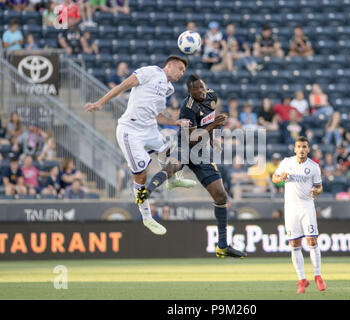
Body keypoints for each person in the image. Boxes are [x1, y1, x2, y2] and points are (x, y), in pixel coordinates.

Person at [135, 74, 247, 258]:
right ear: (190, 92)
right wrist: (213, 126)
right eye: (198, 90)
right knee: (172, 166)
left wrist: (212, 138)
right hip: (186, 145)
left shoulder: (212, 96)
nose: (202, 92)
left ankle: (223, 246)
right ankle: (145, 192)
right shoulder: (187, 109)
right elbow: (192, 138)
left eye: (203, 87)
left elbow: (207, 120)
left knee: (221, 195)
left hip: (202, 152)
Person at [84, 56, 196, 236]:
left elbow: (157, 116)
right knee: (141, 176)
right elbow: (123, 85)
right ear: (170, 65)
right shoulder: (151, 71)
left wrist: (176, 123)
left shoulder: (168, 88)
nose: (182, 73)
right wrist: (100, 102)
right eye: (180, 69)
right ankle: (147, 217)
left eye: (184, 71)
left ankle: (172, 181)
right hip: (130, 130)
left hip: (149, 128)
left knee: (167, 151)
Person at [272, 136, 326, 293]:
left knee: (312, 240)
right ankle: (302, 279)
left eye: (304, 147)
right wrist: (280, 178)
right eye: (299, 147)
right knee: (294, 244)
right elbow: (275, 178)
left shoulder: (314, 167)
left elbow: (319, 187)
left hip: (307, 206)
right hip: (290, 208)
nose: (301, 149)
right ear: (294, 149)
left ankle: (318, 276)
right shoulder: (287, 163)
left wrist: (317, 191)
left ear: (308, 149)